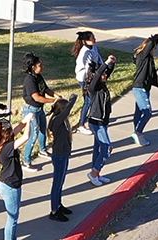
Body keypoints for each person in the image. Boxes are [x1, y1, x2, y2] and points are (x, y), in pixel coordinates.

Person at [0, 113, 34, 240]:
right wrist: (29, 123)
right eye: (10, 130)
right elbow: (26, 137)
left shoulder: (3, 142)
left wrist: (24, 120)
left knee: (14, 216)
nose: (13, 131)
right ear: (6, 134)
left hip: (12, 183)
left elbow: (18, 129)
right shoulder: (7, 147)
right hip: (10, 186)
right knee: (13, 217)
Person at [22, 52, 62, 172]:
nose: (42, 67)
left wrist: (55, 95)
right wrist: (53, 100)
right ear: (33, 67)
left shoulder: (38, 77)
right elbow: (37, 97)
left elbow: (46, 89)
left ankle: (43, 150)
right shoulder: (29, 80)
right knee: (32, 135)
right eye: (40, 65)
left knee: (43, 130)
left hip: (39, 109)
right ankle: (26, 161)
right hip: (31, 111)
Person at [87, 55, 116, 187]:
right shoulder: (93, 89)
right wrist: (105, 63)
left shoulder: (103, 86)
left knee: (98, 149)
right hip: (96, 122)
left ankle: (96, 173)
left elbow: (106, 72)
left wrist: (111, 64)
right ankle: (94, 173)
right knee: (107, 148)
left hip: (103, 122)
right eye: (103, 74)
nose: (105, 75)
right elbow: (99, 74)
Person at [48, 94, 78, 222]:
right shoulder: (56, 121)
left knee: (61, 183)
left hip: (64, 154)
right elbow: (67, 110)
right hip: (59, 155)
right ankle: (54, 210)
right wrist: (72, 101)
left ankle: (59, 205)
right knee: (57, 183)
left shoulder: (63, 121)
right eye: (66, 109)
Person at [132, 32, 158, 146]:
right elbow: (149, 45)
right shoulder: (143, 56)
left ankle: (137, 132)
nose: (155, 50)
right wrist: (155, 37)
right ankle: (138, 132)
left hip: (144, 88)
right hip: (140, 88)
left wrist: (156, 40)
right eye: (154, 48)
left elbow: (151, 45)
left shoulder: (146, 58)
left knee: (139, 111)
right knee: (147, 112)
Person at [71, 31, 103, 135]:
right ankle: (81, 125)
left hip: (91, 78)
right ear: (86, 40)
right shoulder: (85, 52)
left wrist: (104, 68)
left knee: (92, 100)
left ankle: (88, 120)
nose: (95, 39)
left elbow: (99, 60)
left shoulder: (94, 48)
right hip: (84, 79)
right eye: (92, 38)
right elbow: (89, 68)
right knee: (88, 101)